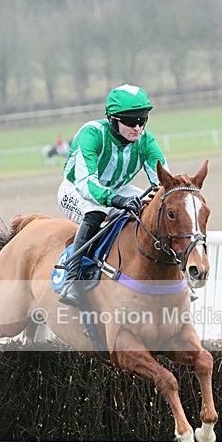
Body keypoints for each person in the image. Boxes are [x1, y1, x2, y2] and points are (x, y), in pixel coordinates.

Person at [57, 84, 168, 307]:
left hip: (117, 189)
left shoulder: (146, 141)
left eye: (142, 120)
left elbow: (164, 180)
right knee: (96, 211)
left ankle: (170, 274)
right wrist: (117, 200)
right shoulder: (92, 133)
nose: (137, 127)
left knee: (156, 208)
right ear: (112, 119)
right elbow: (86, 183)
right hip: (77, 190)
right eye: (130, 121)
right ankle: (72, 277)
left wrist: (163, 196)